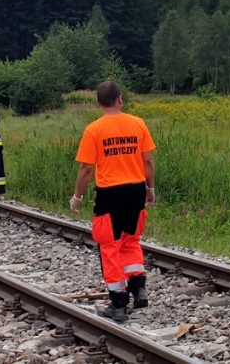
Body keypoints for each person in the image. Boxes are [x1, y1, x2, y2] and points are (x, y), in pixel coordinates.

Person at [69, 81, 156, 323]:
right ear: (120, 99)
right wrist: (149, 189)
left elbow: (86, 169)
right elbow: (148, 160)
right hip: (136, 191)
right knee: (130, 240)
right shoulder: (138, 123)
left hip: (110, 194)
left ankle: (119, 304)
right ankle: (138, 287)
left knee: (109, 246)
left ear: (98, 103)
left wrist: (77, 197)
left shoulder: (94, 130)